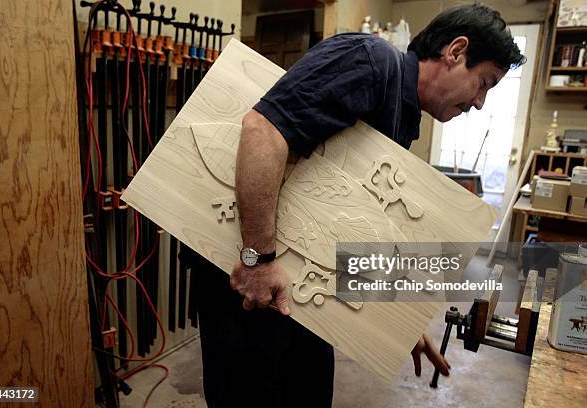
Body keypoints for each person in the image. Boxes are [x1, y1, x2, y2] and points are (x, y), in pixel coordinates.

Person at [194, 4, 525, 407]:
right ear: (455, 51)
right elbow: (262, 129)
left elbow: (343, 222)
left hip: (300, 288)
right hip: (251, 277)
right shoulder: (369, 62)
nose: (479, 102)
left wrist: (394, 324)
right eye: (483, 82)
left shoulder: (401, 115)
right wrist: (258, 260)